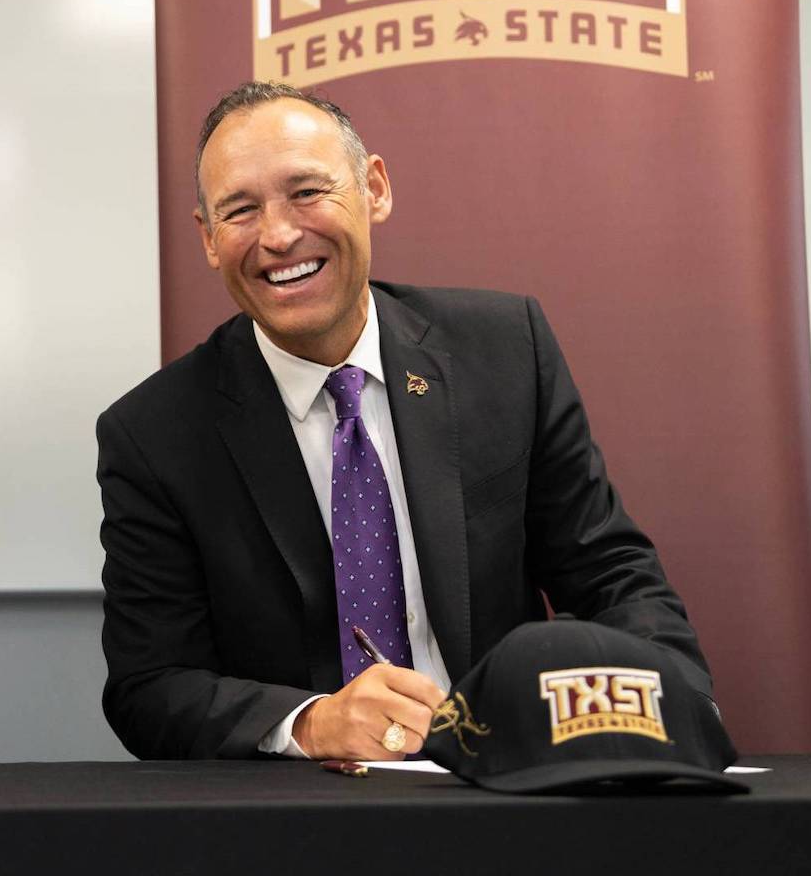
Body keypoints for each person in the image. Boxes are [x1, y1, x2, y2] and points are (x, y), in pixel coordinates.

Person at [96, 81, 715, 761]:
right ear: (209, 239)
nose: (277, 235)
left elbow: (610, 575)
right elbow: (150, 687)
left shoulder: (505, 351)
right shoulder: (154, 435)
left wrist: (679, 702)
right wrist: (309, 724)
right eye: (240, 210)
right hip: (294, 815)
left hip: (506, 783)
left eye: (307, 193)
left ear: (376, 190)